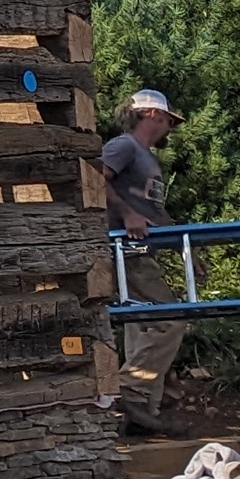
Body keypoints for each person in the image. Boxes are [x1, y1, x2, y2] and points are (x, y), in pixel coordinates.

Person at [99, 88, 187, 432]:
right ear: (152, 115)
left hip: (139, 253)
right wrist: (126, 213)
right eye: (168, 120)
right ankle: (128, 389)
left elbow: (157, 215)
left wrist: (186, 252)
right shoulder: (124, 147)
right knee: (170, 319)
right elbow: (93, 177)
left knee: (143, 326)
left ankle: (142, 414)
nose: (169, 128)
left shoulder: (147, 159)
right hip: (127, 252)